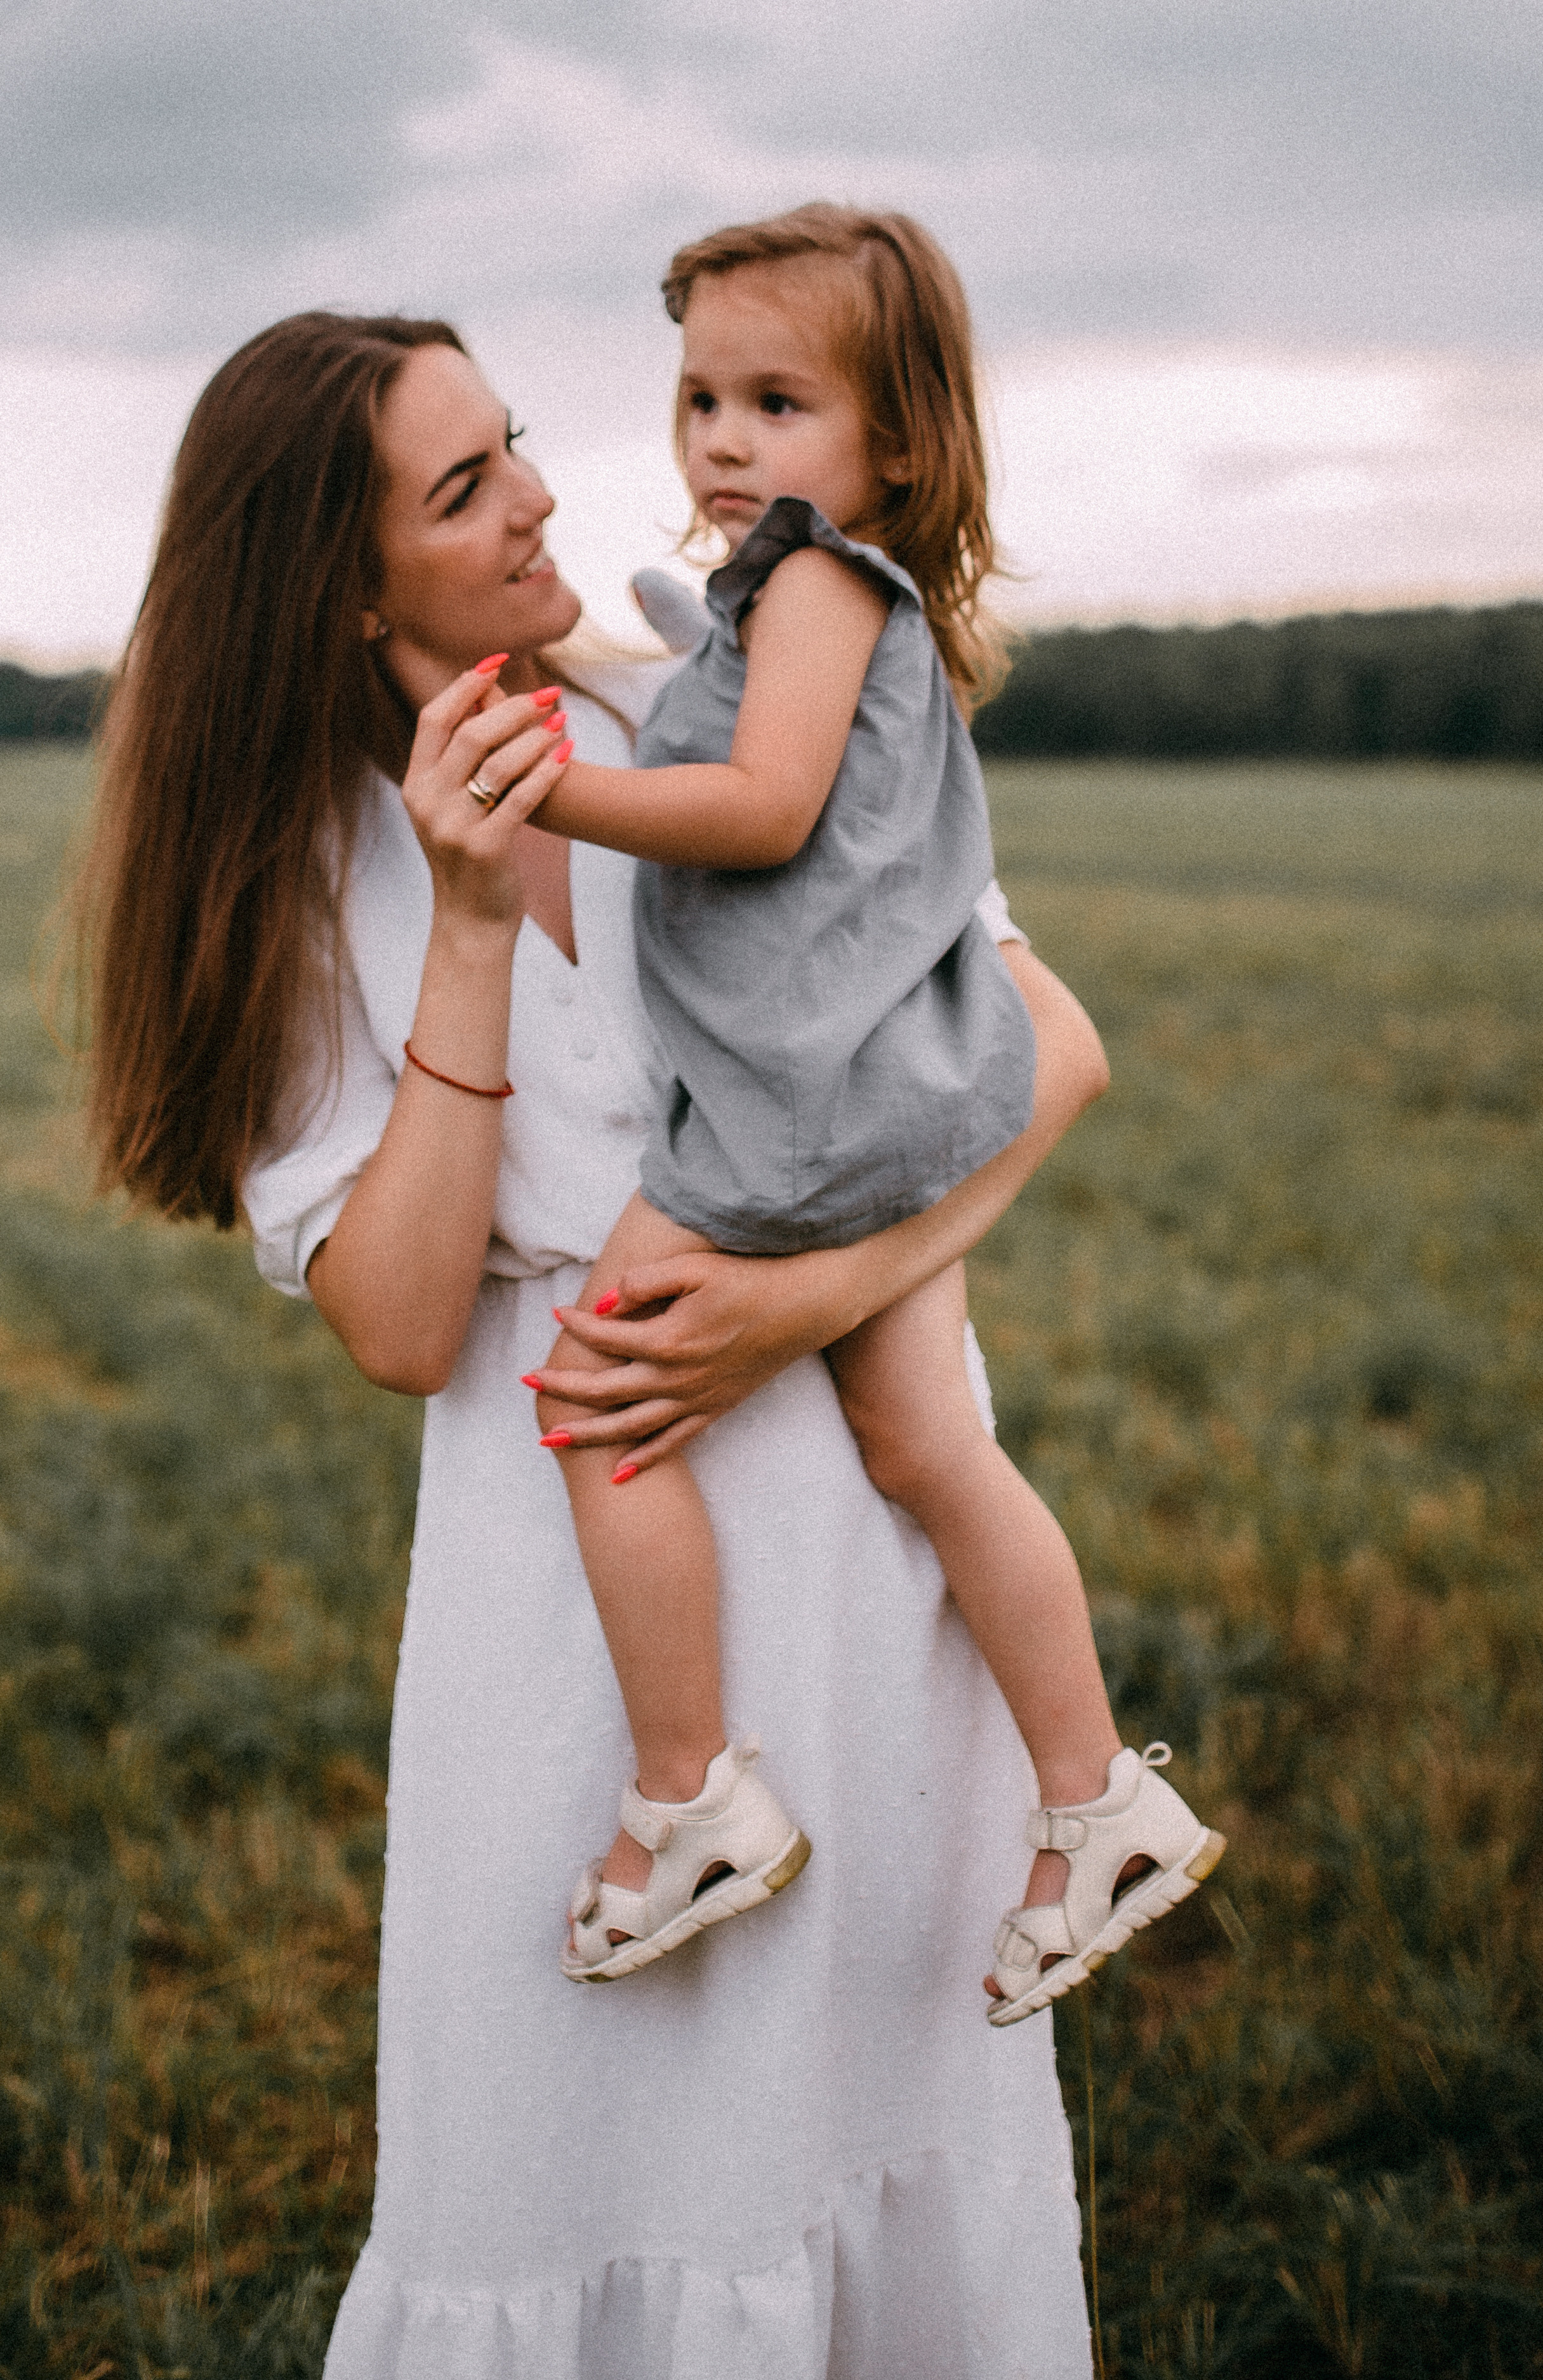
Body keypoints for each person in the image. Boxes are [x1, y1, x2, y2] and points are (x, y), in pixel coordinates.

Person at [78, 305, 1105, 2375]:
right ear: (338, 583)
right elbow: (392, 1319)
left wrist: (799, 1303)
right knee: (555, 2152)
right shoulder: (282, 881)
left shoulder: (690, 717)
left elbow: (1046, 1050)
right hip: (574, 1607)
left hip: (857, 1530)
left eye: (516, 441)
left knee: (871, 2110)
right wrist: (464, 925)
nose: (545, 493)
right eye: (465, 489)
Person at [506, 206, 1222, 2019]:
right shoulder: (803, 598)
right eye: (696, 399)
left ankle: (689, 1800)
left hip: (797, 1124)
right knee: (931, 1449)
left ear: (892, 442)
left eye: (775, 400)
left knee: (601, 1407)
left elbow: (755, 805)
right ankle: (1095, 1798)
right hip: (902, 1093)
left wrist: (552, 793)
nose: (722, 440)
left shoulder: (825, 584)